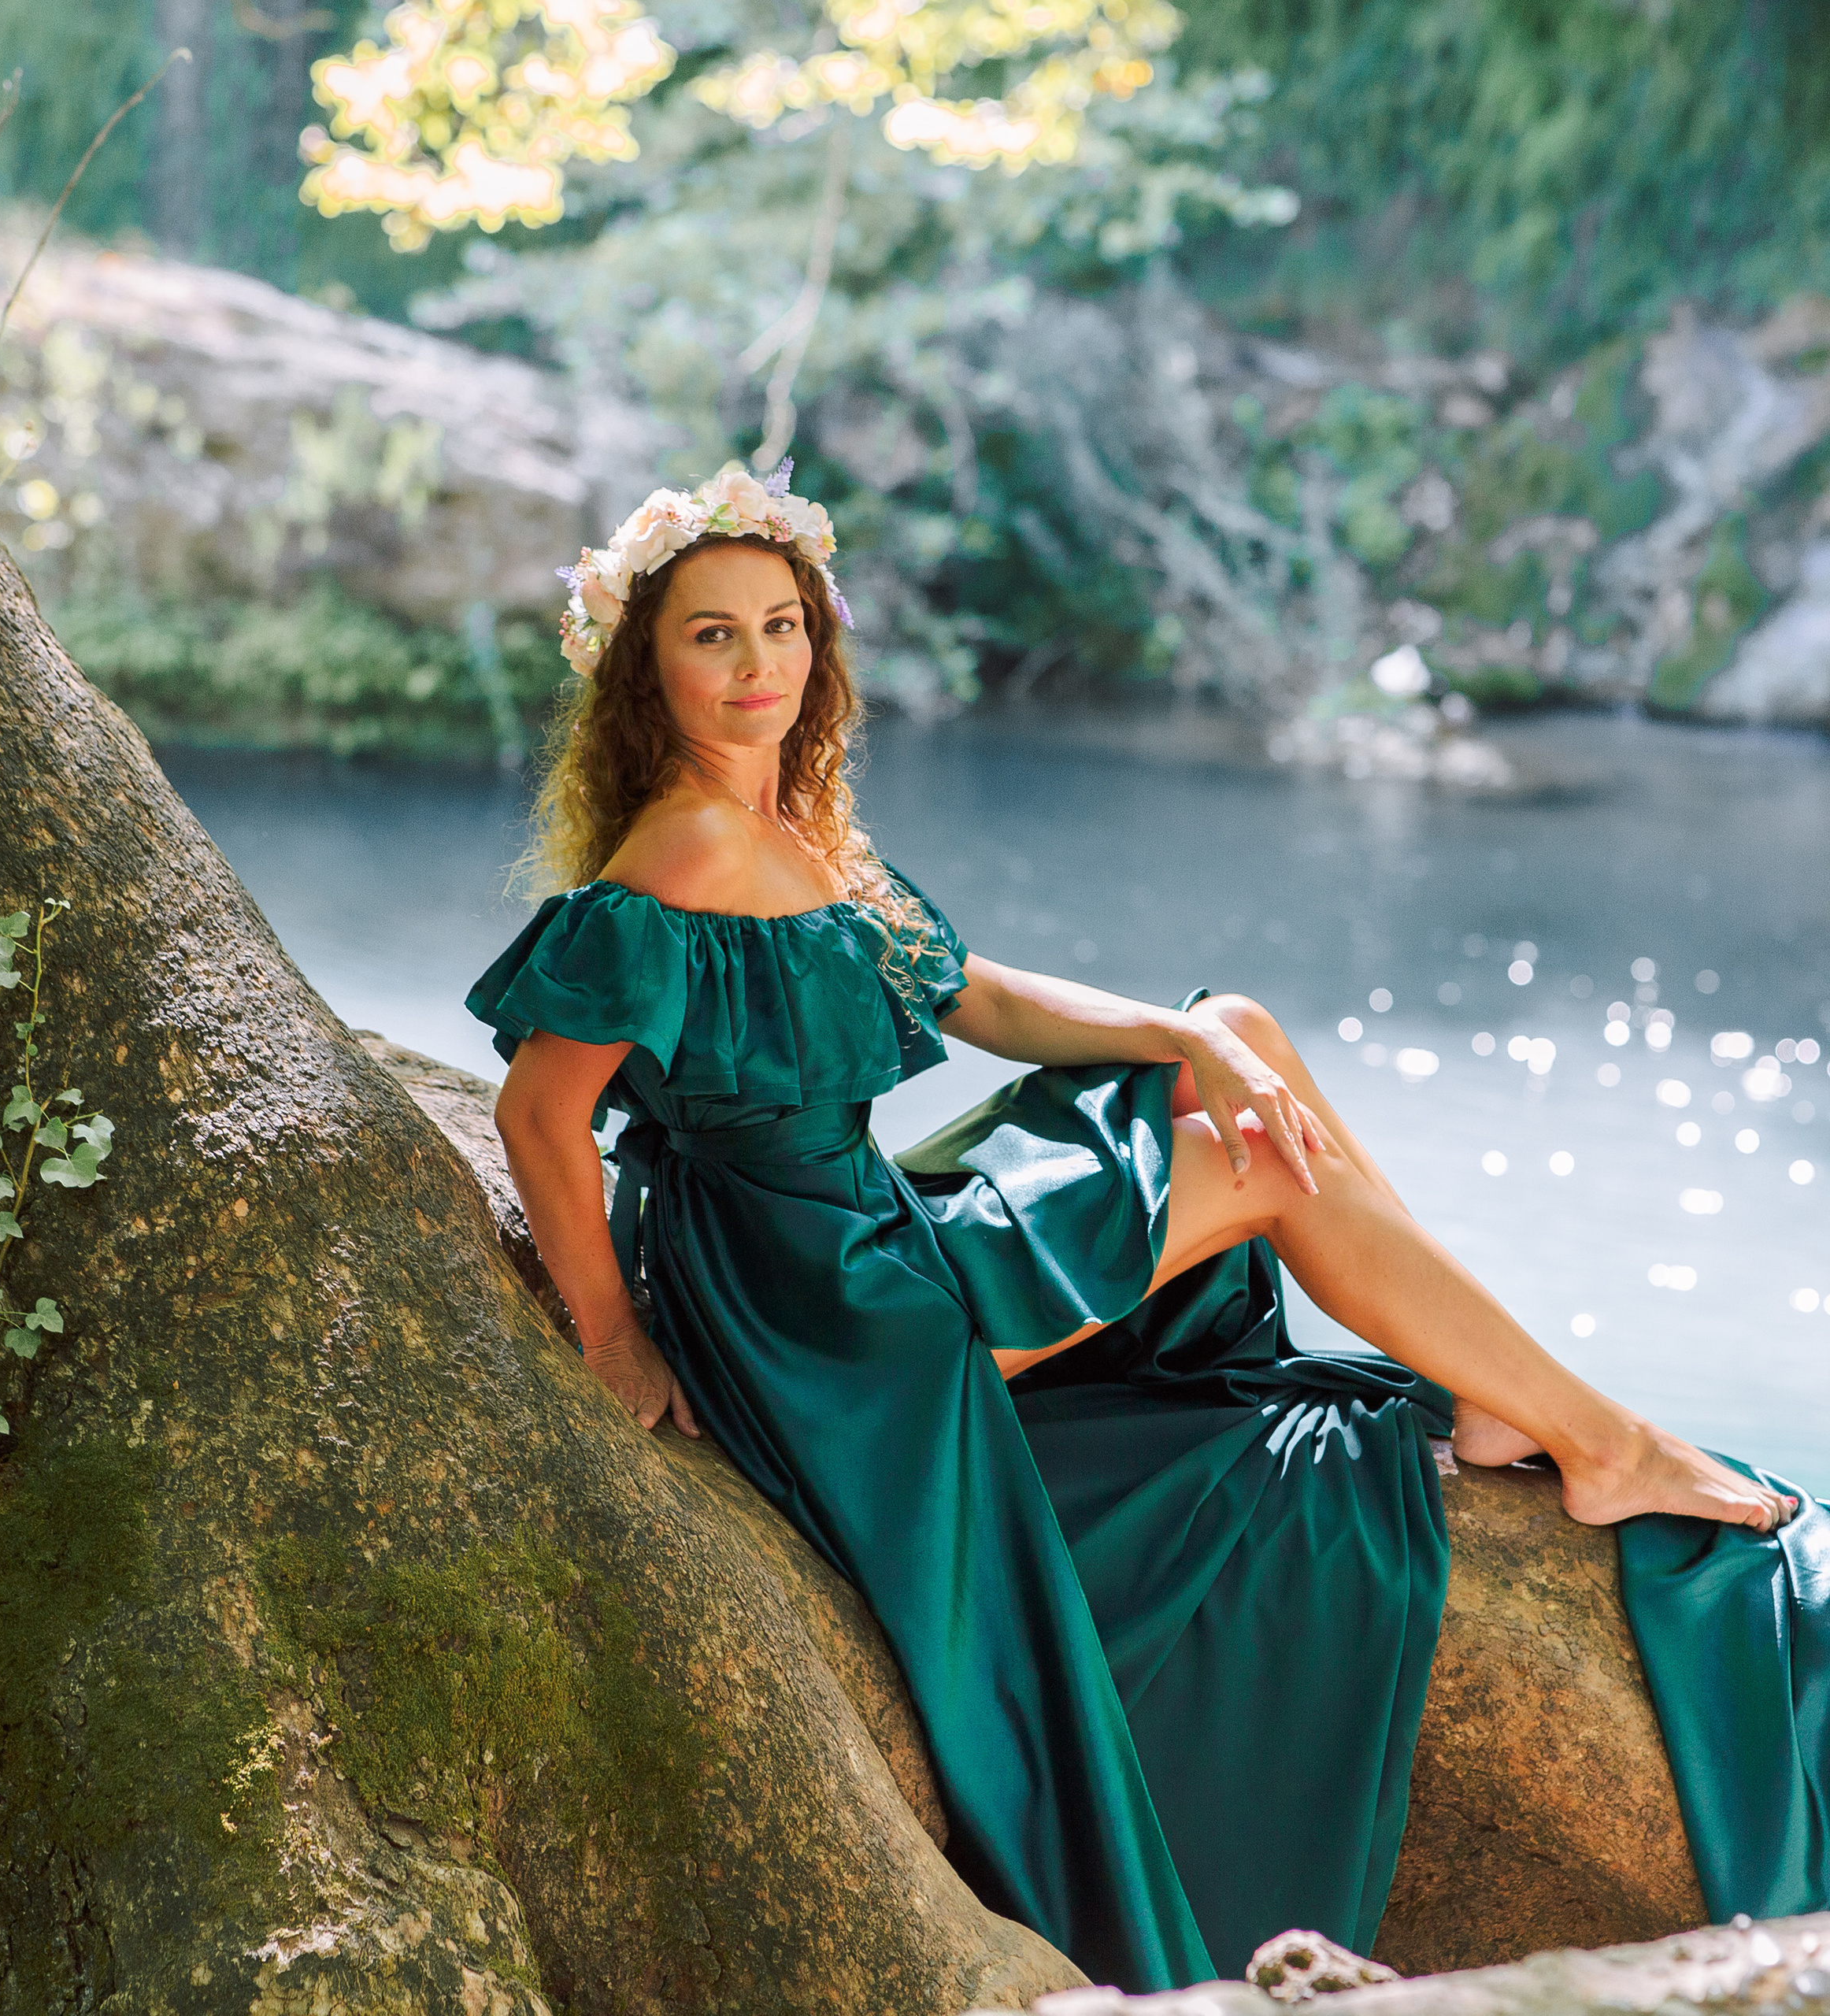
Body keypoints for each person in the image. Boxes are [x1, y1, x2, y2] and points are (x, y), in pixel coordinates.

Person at [467, 465, 1828, 1989]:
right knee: (1265, 1172)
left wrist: (1201, 1044)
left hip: (867, 1231)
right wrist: (613, 1335)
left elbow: (979, 998)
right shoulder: (686, 852)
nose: (758, 667)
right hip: (825, 1307)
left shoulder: (786, 825)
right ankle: (1591, 1435)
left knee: (1234, 1032)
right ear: (649, 667)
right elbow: (539, 1113)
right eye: (712, 636)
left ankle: (1496, 1401)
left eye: (782, 627)